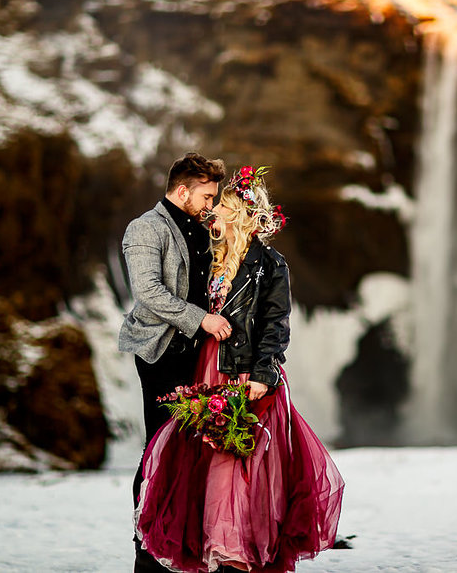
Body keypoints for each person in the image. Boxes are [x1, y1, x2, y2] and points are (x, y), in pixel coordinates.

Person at [134, 166, 344, 573]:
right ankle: (210, 546)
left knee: (240, 461)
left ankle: (236, 551)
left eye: (222, 205)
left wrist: (263, 374)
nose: (213, 212)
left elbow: (276, 323)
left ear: (242, 214)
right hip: (208, 365)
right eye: (212, 202)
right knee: (207, 454)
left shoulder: (271, 264)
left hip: (244, 372)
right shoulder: (213, 259)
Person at [118, 152, 232, 571]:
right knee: (160, 447)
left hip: (199, 355)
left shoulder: (204, 228)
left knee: (192, 447)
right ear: (182, 190)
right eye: (205, 196)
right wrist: (201, 318)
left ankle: (185, 539)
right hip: (160, 351)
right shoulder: (145, 228)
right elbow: (148, 291)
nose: (210, 205)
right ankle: (145, 538)